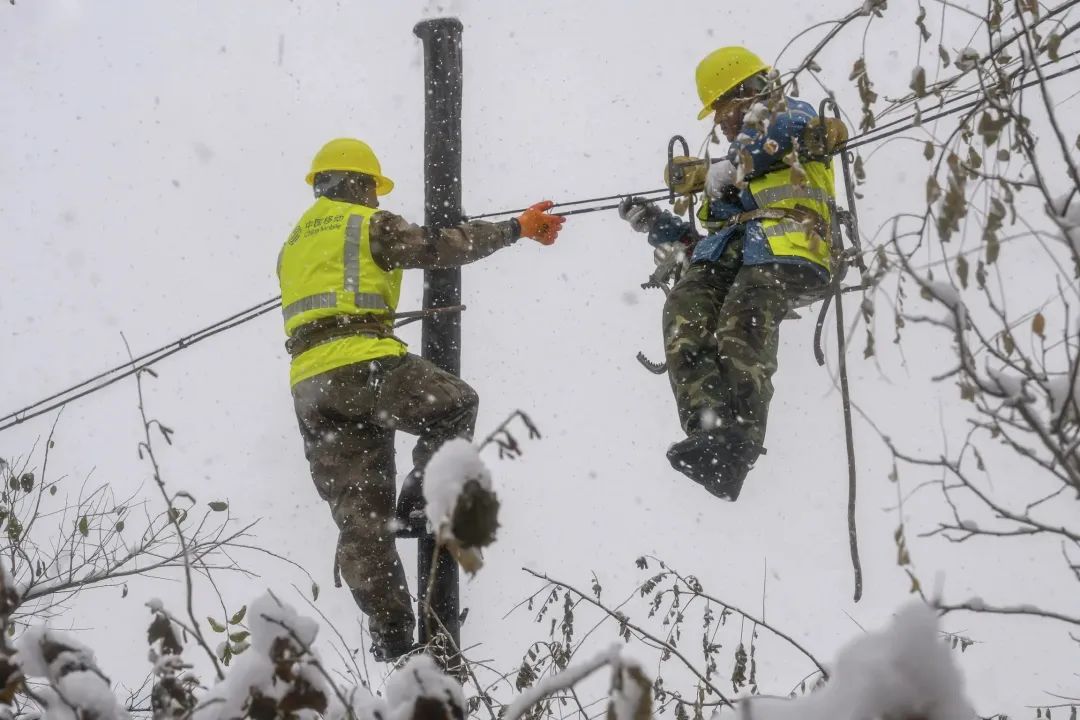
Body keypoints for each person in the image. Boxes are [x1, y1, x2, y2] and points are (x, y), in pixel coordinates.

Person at [278, 138, 564, 661]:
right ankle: (422, 493)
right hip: (364, 362)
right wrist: (516, 229)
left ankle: (391, 637)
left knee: (361, 521)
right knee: (454, 404)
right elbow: (440, 247)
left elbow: (328, 304)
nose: (372, 197)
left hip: (311, 388)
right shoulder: (365, 223)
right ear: (359, 183)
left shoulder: (294, 243)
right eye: (371, 187)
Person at [619, 47, 837, 502]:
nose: (718, 123)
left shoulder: (789, 118)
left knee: (741, 324)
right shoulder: (732, 168)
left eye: (722, 110)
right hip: (741, 255)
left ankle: (740, 443)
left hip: (791, 247)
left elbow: (785, 129)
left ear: (748, 94)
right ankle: (709, 429)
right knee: (684, 313)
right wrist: (657, 223)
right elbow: (715, 237)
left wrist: (719, 169)